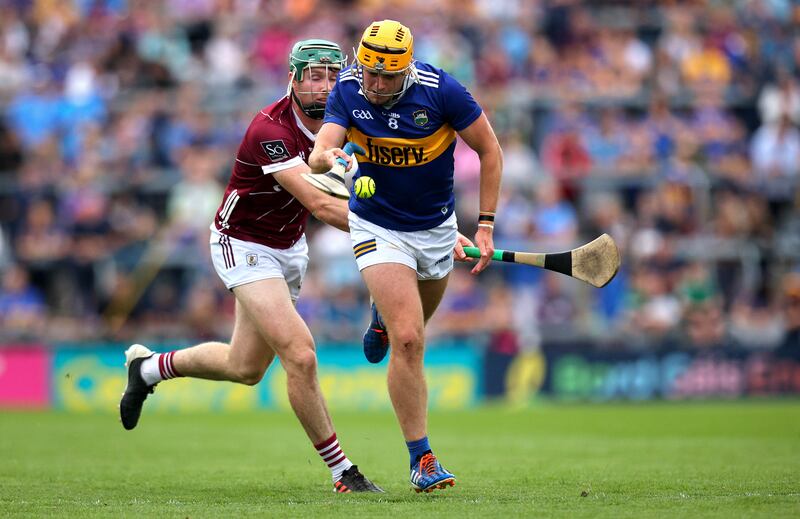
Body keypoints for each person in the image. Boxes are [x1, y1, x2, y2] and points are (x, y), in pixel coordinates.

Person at [119, 39, 383, 494]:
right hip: (241, 243)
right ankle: (344, 473)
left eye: (332, 77)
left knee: (245, 368)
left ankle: (148, 369)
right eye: (313, 77)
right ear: (294, 79)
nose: (323, 88)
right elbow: (320, 202)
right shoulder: (271, 131)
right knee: (300, 354)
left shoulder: (349, 120)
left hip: (288, 246)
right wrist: (394, 234)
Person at [309, 20, 503, 493]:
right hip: (376, 225)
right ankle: (422, 459)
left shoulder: (444, 92)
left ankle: (380, 316)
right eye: (369, 73)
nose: (374, 85)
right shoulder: (349, 90)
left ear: (407, 70)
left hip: (436, 230)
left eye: (387, 77)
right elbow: (319, 151)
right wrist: (336, 160)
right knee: (411, 339)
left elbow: (491, 151)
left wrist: (485, 224)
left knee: (410, 328)